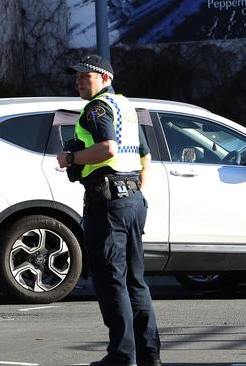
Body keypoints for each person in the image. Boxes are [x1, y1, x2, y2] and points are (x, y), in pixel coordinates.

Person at [57, 54, 161, 366]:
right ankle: (148, 355)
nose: (78, 81)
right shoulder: (126, 108)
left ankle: (121, 356)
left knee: (111, 279)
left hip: (108, 202)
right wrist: (135, 191)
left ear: (105, 79)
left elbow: (107, 149)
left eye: (85, 76)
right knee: (135, 280)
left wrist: (71, 160)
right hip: (131, 199)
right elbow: (145, 157)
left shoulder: (97, 109)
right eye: (76, 77)